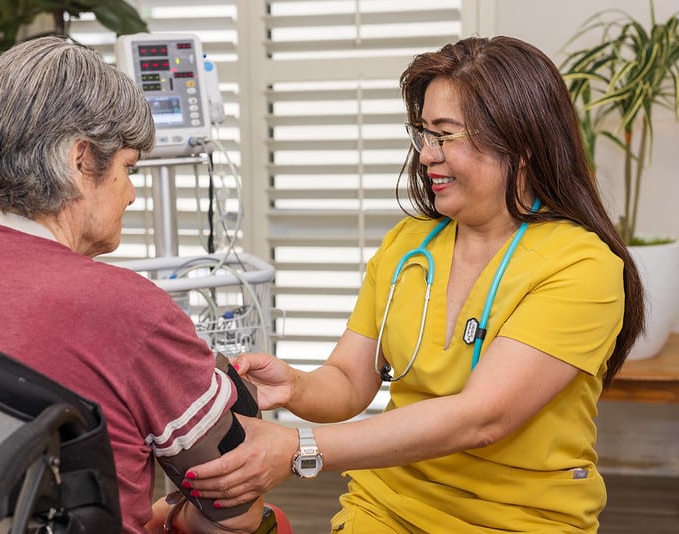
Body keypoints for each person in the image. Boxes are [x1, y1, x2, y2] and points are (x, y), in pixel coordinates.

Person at [180, 36, 645, 533]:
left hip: (519, 520)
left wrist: (300, 447)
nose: (426, 155)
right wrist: (294, 385)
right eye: (423, 133)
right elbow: (350, 381)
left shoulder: (581, 267)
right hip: (385, 507)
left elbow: (482, 418)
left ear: (522, 144)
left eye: (445, 135)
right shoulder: (408, 247)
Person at [0, 36, 265, 534]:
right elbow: (234, 513)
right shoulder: (132, 312)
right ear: (82, 160)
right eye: (128, 169)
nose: (129, 194)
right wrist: (166, 515)